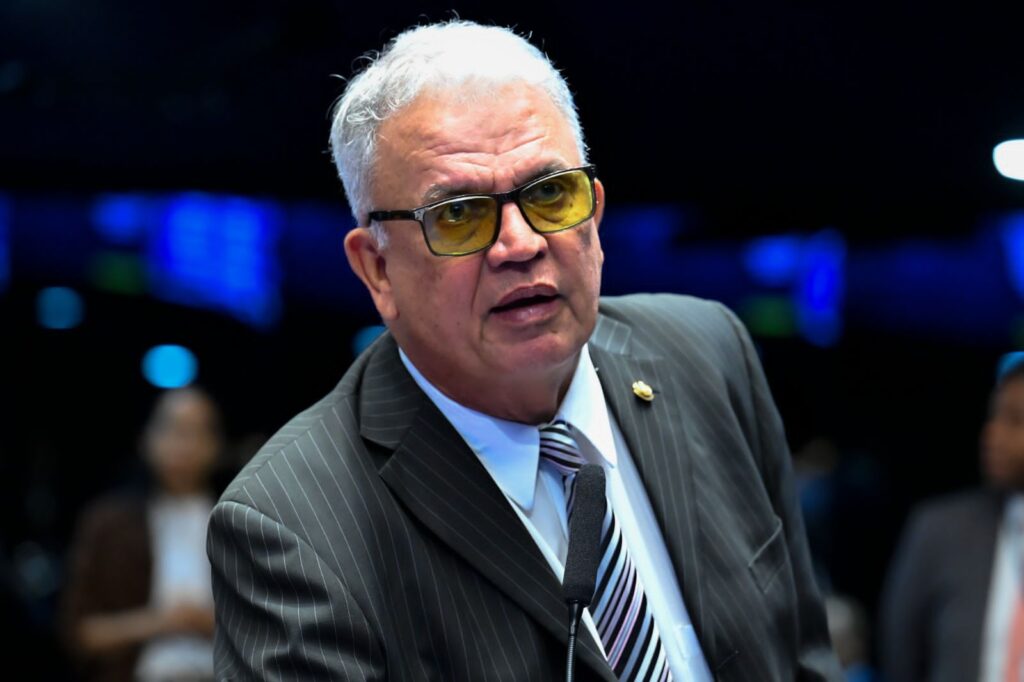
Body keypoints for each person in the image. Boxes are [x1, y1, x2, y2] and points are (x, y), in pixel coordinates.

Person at [207, 21, 840, 681]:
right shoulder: (292, 527)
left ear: (594, 214)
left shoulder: (707, 352)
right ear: (378, 269)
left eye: (550, 194)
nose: (520, 244)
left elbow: (802, 658)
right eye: (459, 215)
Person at [880, 353, 1024, 682]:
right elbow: (900, 656)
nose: (993, 433)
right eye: (994, 416)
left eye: (1015, 420)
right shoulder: (940, 530)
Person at [62, 387, 222, 682]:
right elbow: (79, 633)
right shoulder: (109, 524)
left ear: (216, 445)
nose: (184, 444)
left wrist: (211, 624)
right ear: (146, 438)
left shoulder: (236, 521)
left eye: (196, 432)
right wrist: (163, 622)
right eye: (172, 428)